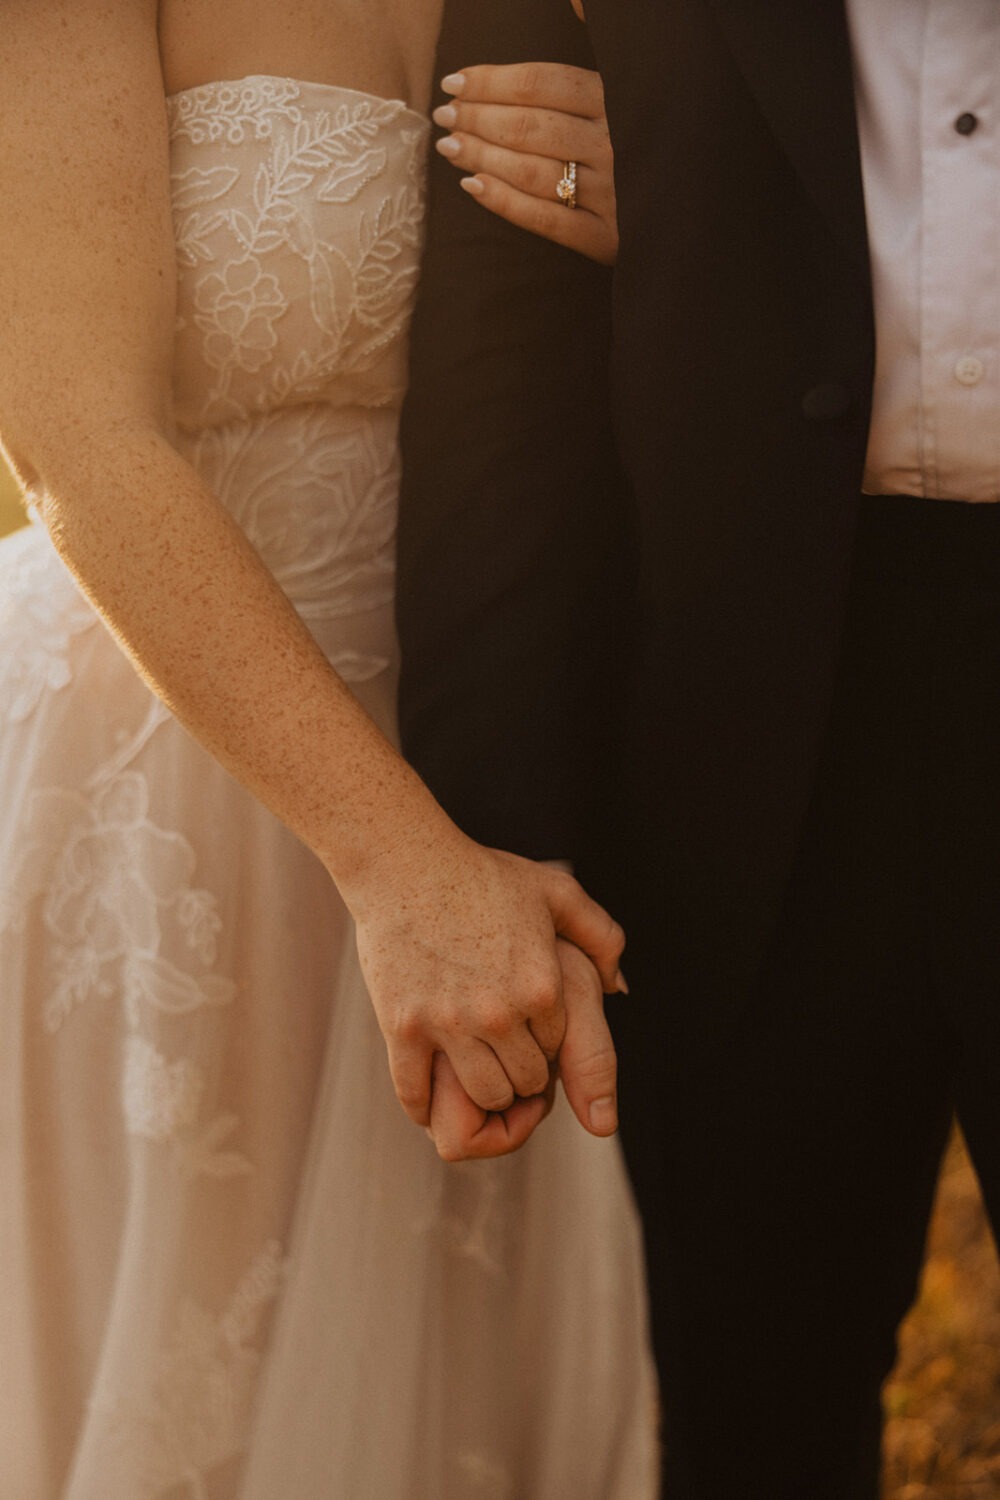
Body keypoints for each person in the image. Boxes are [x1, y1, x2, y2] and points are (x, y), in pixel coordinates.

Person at [0, 1, 659, 1494]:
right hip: (175, 810)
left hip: (514, 795)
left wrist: (684, 223)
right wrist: (403, 863)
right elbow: (78, 437)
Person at [399, 0, 1000, 1495]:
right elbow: (504, 364)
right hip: (744, 731)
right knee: (754, 1403)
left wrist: (696, 209)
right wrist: (493, 837)